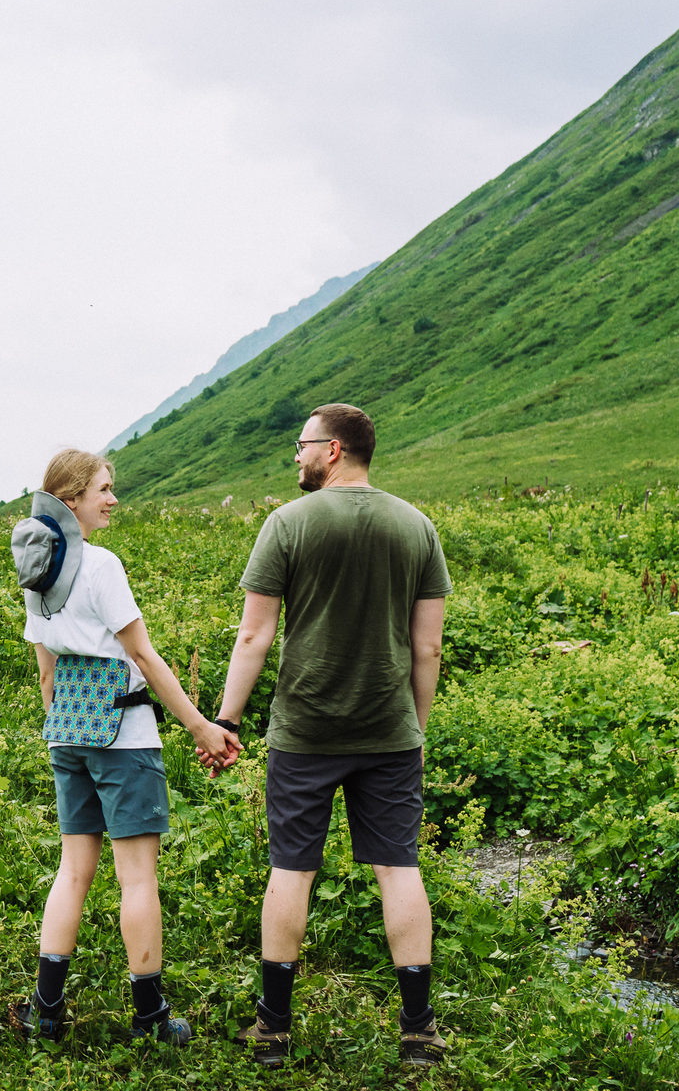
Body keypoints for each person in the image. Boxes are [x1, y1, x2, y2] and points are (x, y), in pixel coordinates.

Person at [202, 403, 452, 1069]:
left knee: (292, 870)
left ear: (333, 450)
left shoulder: (287, 524)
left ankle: (274, 1031)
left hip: (305, 731)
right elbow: (427, 649)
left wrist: (225, 720)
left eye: (302, 445)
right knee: (399, 868)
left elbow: (255, 635)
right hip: (389, 733)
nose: (295, 456)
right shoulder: (418, 526)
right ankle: (420, 1030)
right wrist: (414, 730)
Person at [8, 448, 239, 1044]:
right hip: (124, 736)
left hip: (67, 732)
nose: (112, 499)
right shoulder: (101, 565)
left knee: (73, 870)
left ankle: (46, 1010)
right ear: (71, 499)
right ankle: (151, 1017)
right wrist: (198, 726)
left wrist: (65, 729)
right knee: (137, 880)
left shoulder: (36, 566)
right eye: (103, 489)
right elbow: (142, 656)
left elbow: (46, 674)